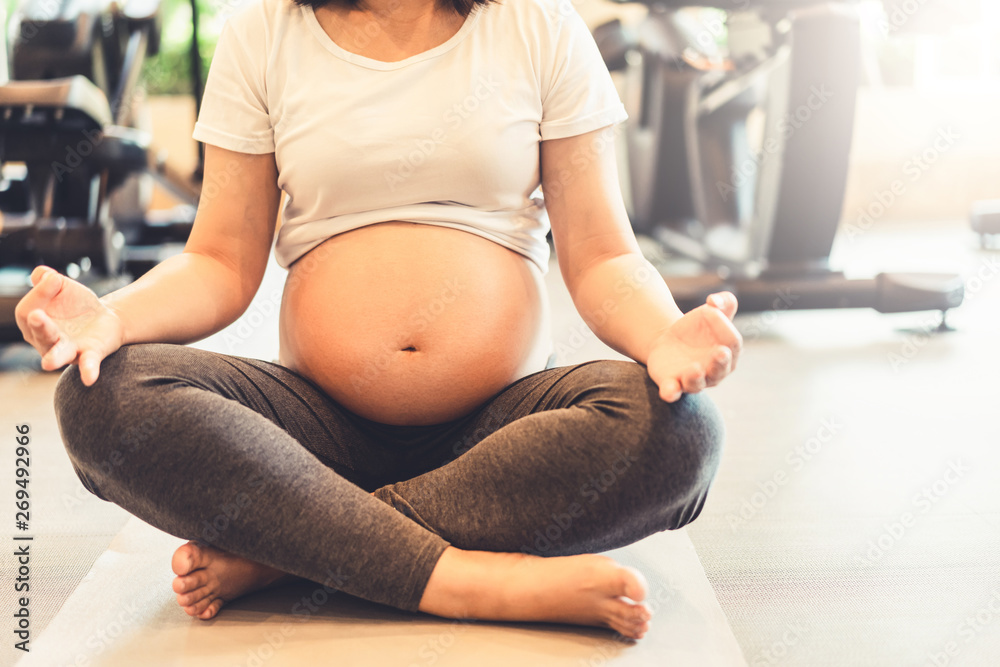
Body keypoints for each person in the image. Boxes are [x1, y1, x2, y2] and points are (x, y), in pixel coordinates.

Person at [15, 0, 742, 641]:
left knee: (681, 429)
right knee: (101, 396)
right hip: (315, 435)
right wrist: (113, 318)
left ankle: (292, 550)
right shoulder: (262, 34)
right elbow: (219, 263)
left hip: (500, 432)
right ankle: (470, 582)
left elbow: (603, 257)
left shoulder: (540, 25)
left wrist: (660, 333)